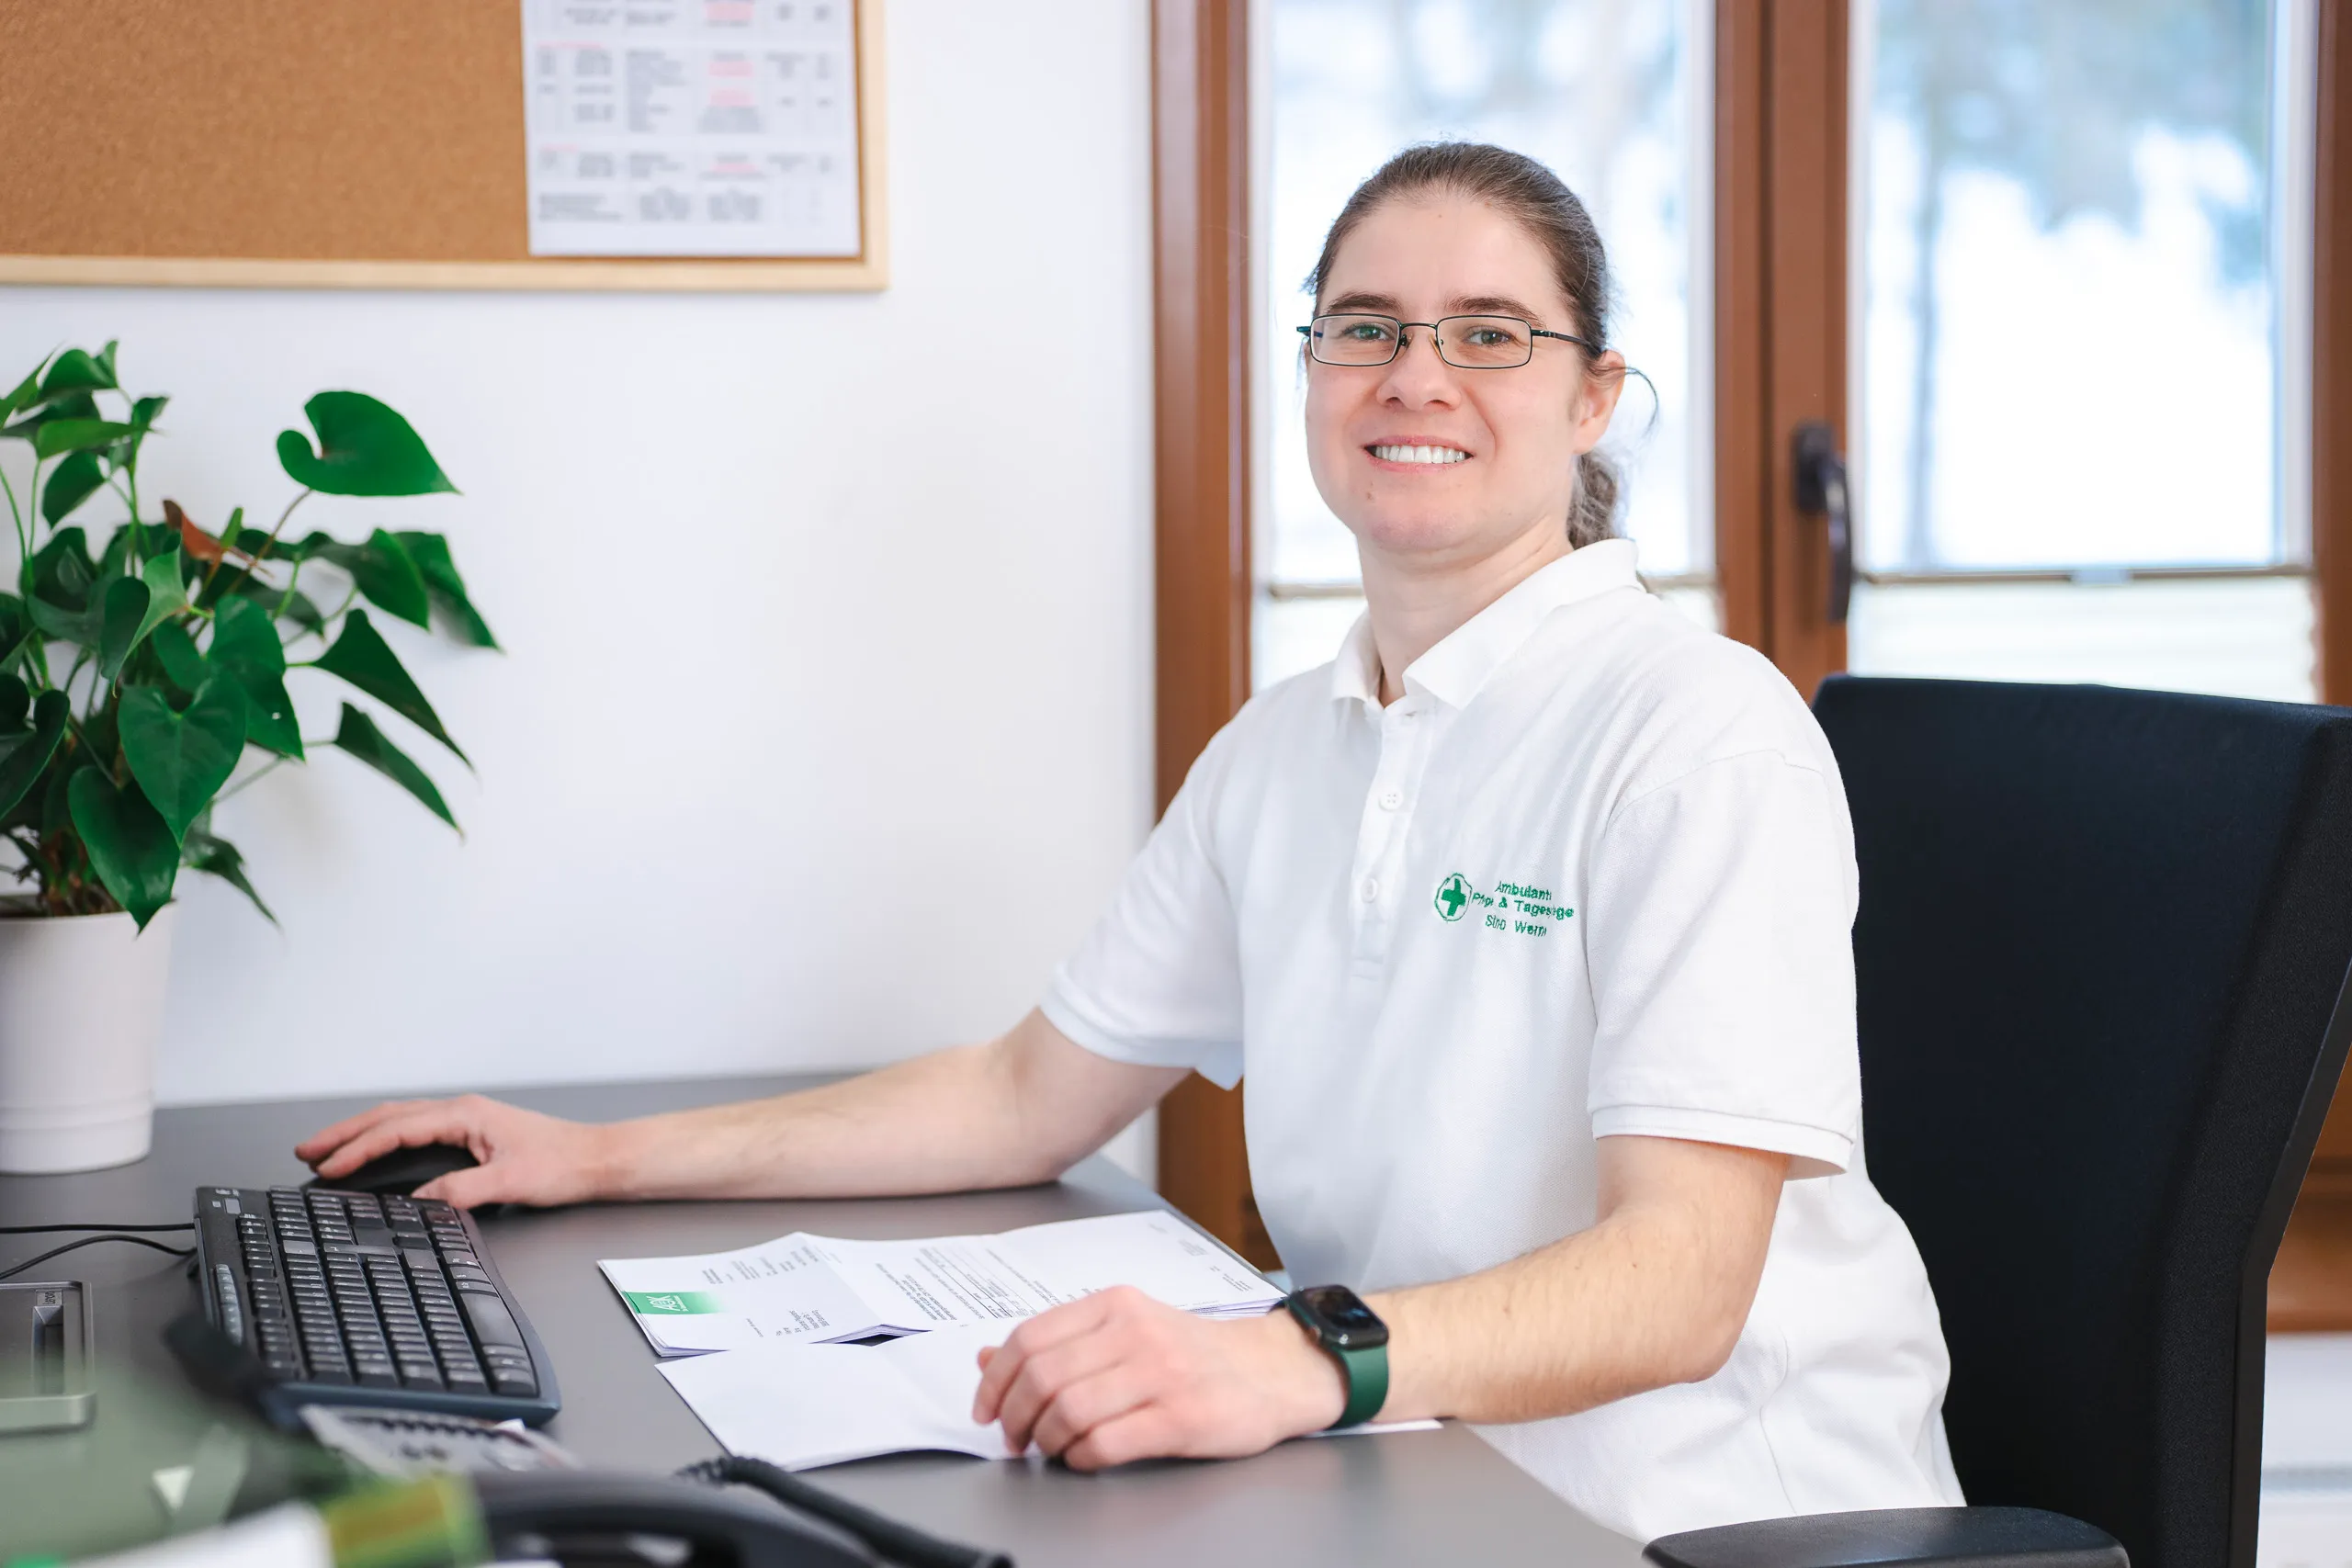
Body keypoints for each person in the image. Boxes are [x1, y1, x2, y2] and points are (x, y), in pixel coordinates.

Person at [299, 142, 1963, 1541]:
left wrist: (1294, 1357)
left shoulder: (1696, 731)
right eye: (1366, 326)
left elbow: (1678, 1281)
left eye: (1491, 333)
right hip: (1405, 1470)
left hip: (1696, 1519)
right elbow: (1028, 1092)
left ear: (1595, 397)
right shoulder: (1286, 746)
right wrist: (598, 1157)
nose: (1416, 376)